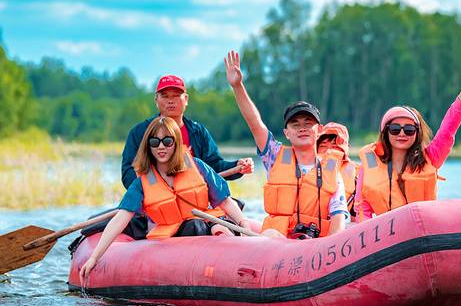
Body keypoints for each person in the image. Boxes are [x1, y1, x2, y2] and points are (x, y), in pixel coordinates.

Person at [80, 116, 251, 282]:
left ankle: (230, 263)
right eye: (155, 142)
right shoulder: (142, 182)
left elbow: (225, 201)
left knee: (217, 228)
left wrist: (243, 224)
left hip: (207, 223)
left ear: (176, 143)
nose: (161, 147)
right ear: (148, 146)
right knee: (194, 226)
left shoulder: (197, 166)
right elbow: (120, 219)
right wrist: (94, 257)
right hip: (175, 237)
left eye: (167, 141)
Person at [224, 50, 348, 239]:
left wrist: (328, 249)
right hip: (277, 241)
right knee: (271, 233)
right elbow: (255, 124)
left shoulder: (332, 169)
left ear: (319, 130)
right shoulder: (274, 156)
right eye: (295, 125)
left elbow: (338, 219)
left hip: (315, 247)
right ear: (286, 133)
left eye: (308, 123)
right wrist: (237, 86)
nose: (302, 128)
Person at [355, 66, 461, 220]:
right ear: (385, 132)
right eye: (395, 129)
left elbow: (447, 131)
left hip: (424, 229)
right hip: (387, 232)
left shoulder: (431, 157)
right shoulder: (370, 162)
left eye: (409, 129)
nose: (402, 133)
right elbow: (362, 207)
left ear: (417, 133)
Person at [121, 74, 253, 190]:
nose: (170, 101)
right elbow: (128, 173)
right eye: (165, 96)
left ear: (186, 99)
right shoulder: (139, 132)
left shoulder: (198, 132)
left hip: (193, 201)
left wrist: (237, 166)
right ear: (156, 101)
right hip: (155, 199)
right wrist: (151, 191)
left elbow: (214, 166)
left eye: (176, 95)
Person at [317, 123, 357, 217]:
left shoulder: (357, 174)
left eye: (334, 146)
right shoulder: (305, 170)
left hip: (344, 222)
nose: (328, 151)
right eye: (323, 146)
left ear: (344, 148)